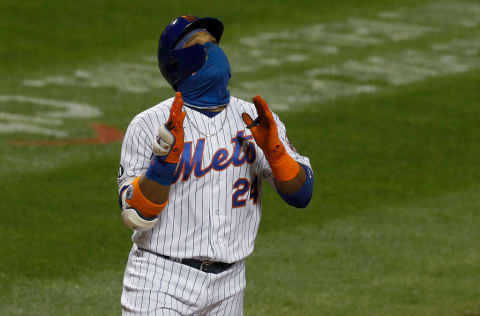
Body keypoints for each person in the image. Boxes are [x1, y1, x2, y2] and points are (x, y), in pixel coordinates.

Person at [117, 15, 314, 315]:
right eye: (199, 44)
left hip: (231, 285)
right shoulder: (148, 125)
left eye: (213, 43)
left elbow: (302, 194)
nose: (213, 51)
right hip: (161, 280)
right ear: (178, 63)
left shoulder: (253, 117)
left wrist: (276, 154)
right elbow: (136, 216)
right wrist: (164, 163)